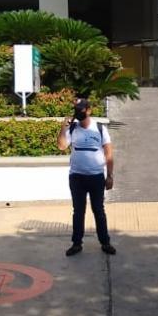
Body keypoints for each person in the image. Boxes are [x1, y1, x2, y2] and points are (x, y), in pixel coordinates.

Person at [58, 97, 115, 256]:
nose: (79, 113)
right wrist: (63, 127)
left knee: (98, 210)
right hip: (77, 177)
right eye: (76, 110)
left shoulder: (100, 128)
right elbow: (62, 146)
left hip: (96, 177)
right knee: (78, 211)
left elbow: (109, 154)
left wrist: (110, 176)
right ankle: (77, 244)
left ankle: (105, 242)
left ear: (89, 110)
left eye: (81, 110)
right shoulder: (72, 128)